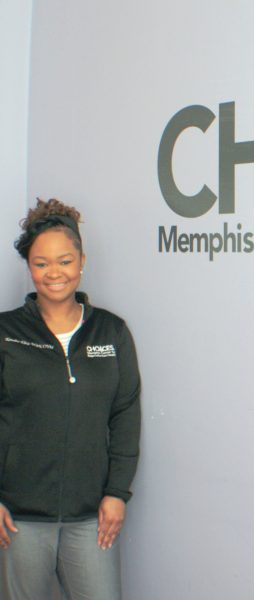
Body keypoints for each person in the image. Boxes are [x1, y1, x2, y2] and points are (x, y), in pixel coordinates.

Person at [0, 199, 141, 600]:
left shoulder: (111, 333)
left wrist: (117, 492)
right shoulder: (6, 332)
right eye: (41, 263)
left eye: (64, 261)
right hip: (18, 519)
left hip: (91, 516)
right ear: (29, 267)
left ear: (82, 261)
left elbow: (126, 414)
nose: (54, 273)